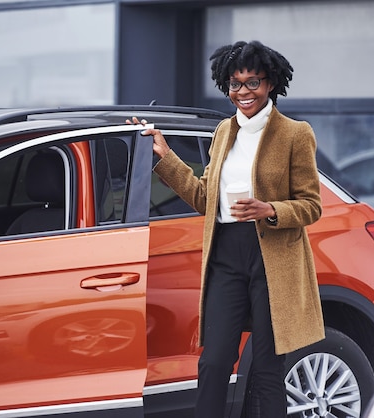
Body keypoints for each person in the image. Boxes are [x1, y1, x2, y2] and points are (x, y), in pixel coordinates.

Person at [128, 40, 325, 418]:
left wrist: (269, 209)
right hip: (225, 257)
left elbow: (311, 205)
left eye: (252, 82)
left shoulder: (295, 134)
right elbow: (205, 198)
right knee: (214, 363)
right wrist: (166, 157)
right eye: (235, 84)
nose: (243, 92)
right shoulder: (223, 132)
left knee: (267, 369)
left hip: (272, 259)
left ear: (270, 84)